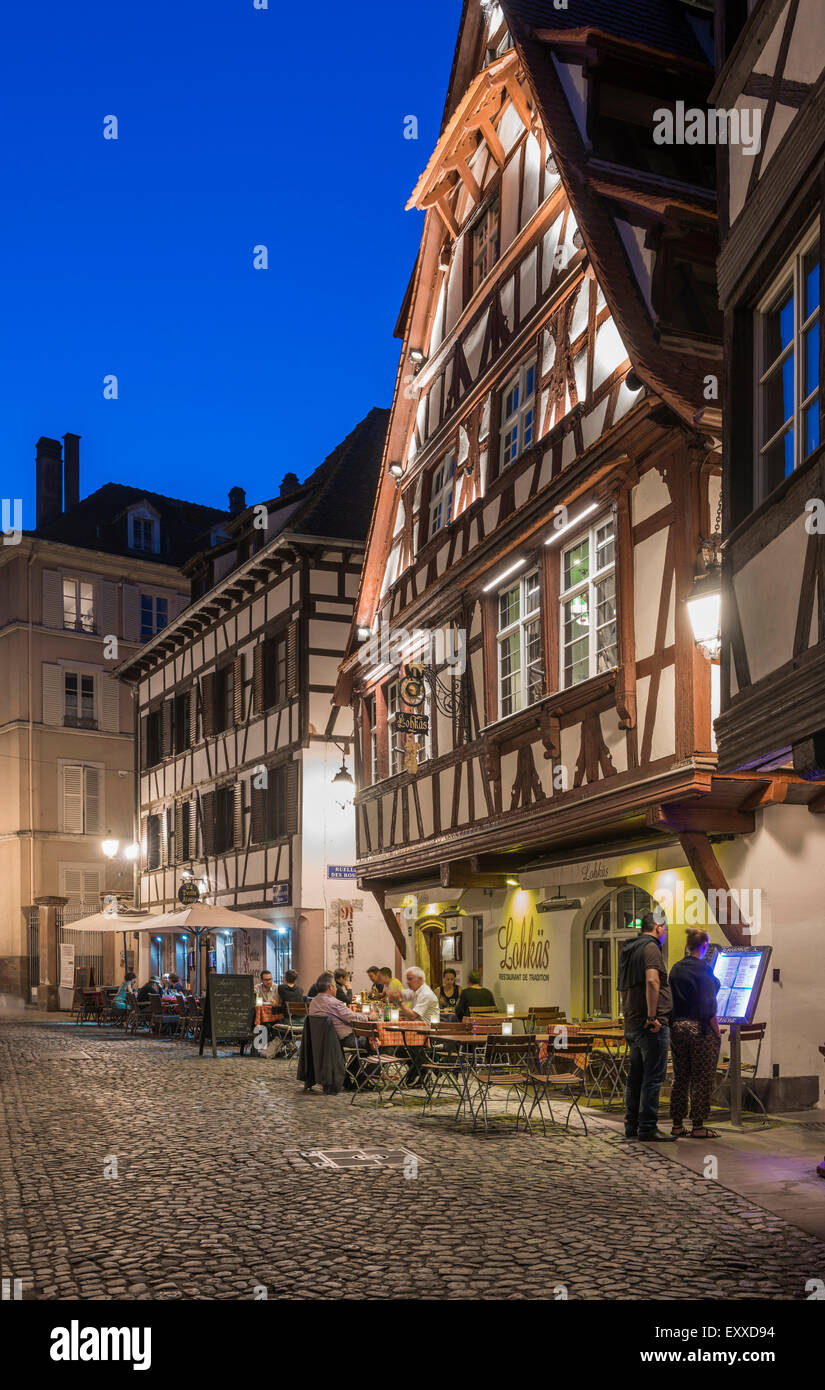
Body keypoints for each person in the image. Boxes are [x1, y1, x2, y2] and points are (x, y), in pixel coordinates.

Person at [619, 911, 674, 1142]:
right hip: (649, 1025)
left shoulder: (629, 948)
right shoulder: (650, 947)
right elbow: (652, 980)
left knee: (636, 1077)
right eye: (665, 930)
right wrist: (653, 1017)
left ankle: (632, 1125)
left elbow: (624, 987)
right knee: (653, 1078)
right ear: (659, 927)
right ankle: (648, 1127)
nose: (665, 934)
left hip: (633, 1022)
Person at [668, 929, 722, 1139]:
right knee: (701, 1078)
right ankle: (698, 1126)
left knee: (680, 1077)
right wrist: (716, 1032)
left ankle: (676, 1124)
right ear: (705, 945)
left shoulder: (676, 968)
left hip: (678, 1027)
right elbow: (709, 1006)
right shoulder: (704, 970)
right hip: (699, 1030)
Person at [388, 966, 440, 1088]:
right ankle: (417, 1069)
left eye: (410, 979)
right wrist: (392, 992)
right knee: (398, 1047)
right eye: (407, 979)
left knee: (403, 1046)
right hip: (416, 1031)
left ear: (420, 979)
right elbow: (404, 993)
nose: (407, 982)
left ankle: (422, 1070)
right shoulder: (417, 991)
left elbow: (412, 1015)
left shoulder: (426, 993)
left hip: (429, 1033)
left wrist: (399, 1001)